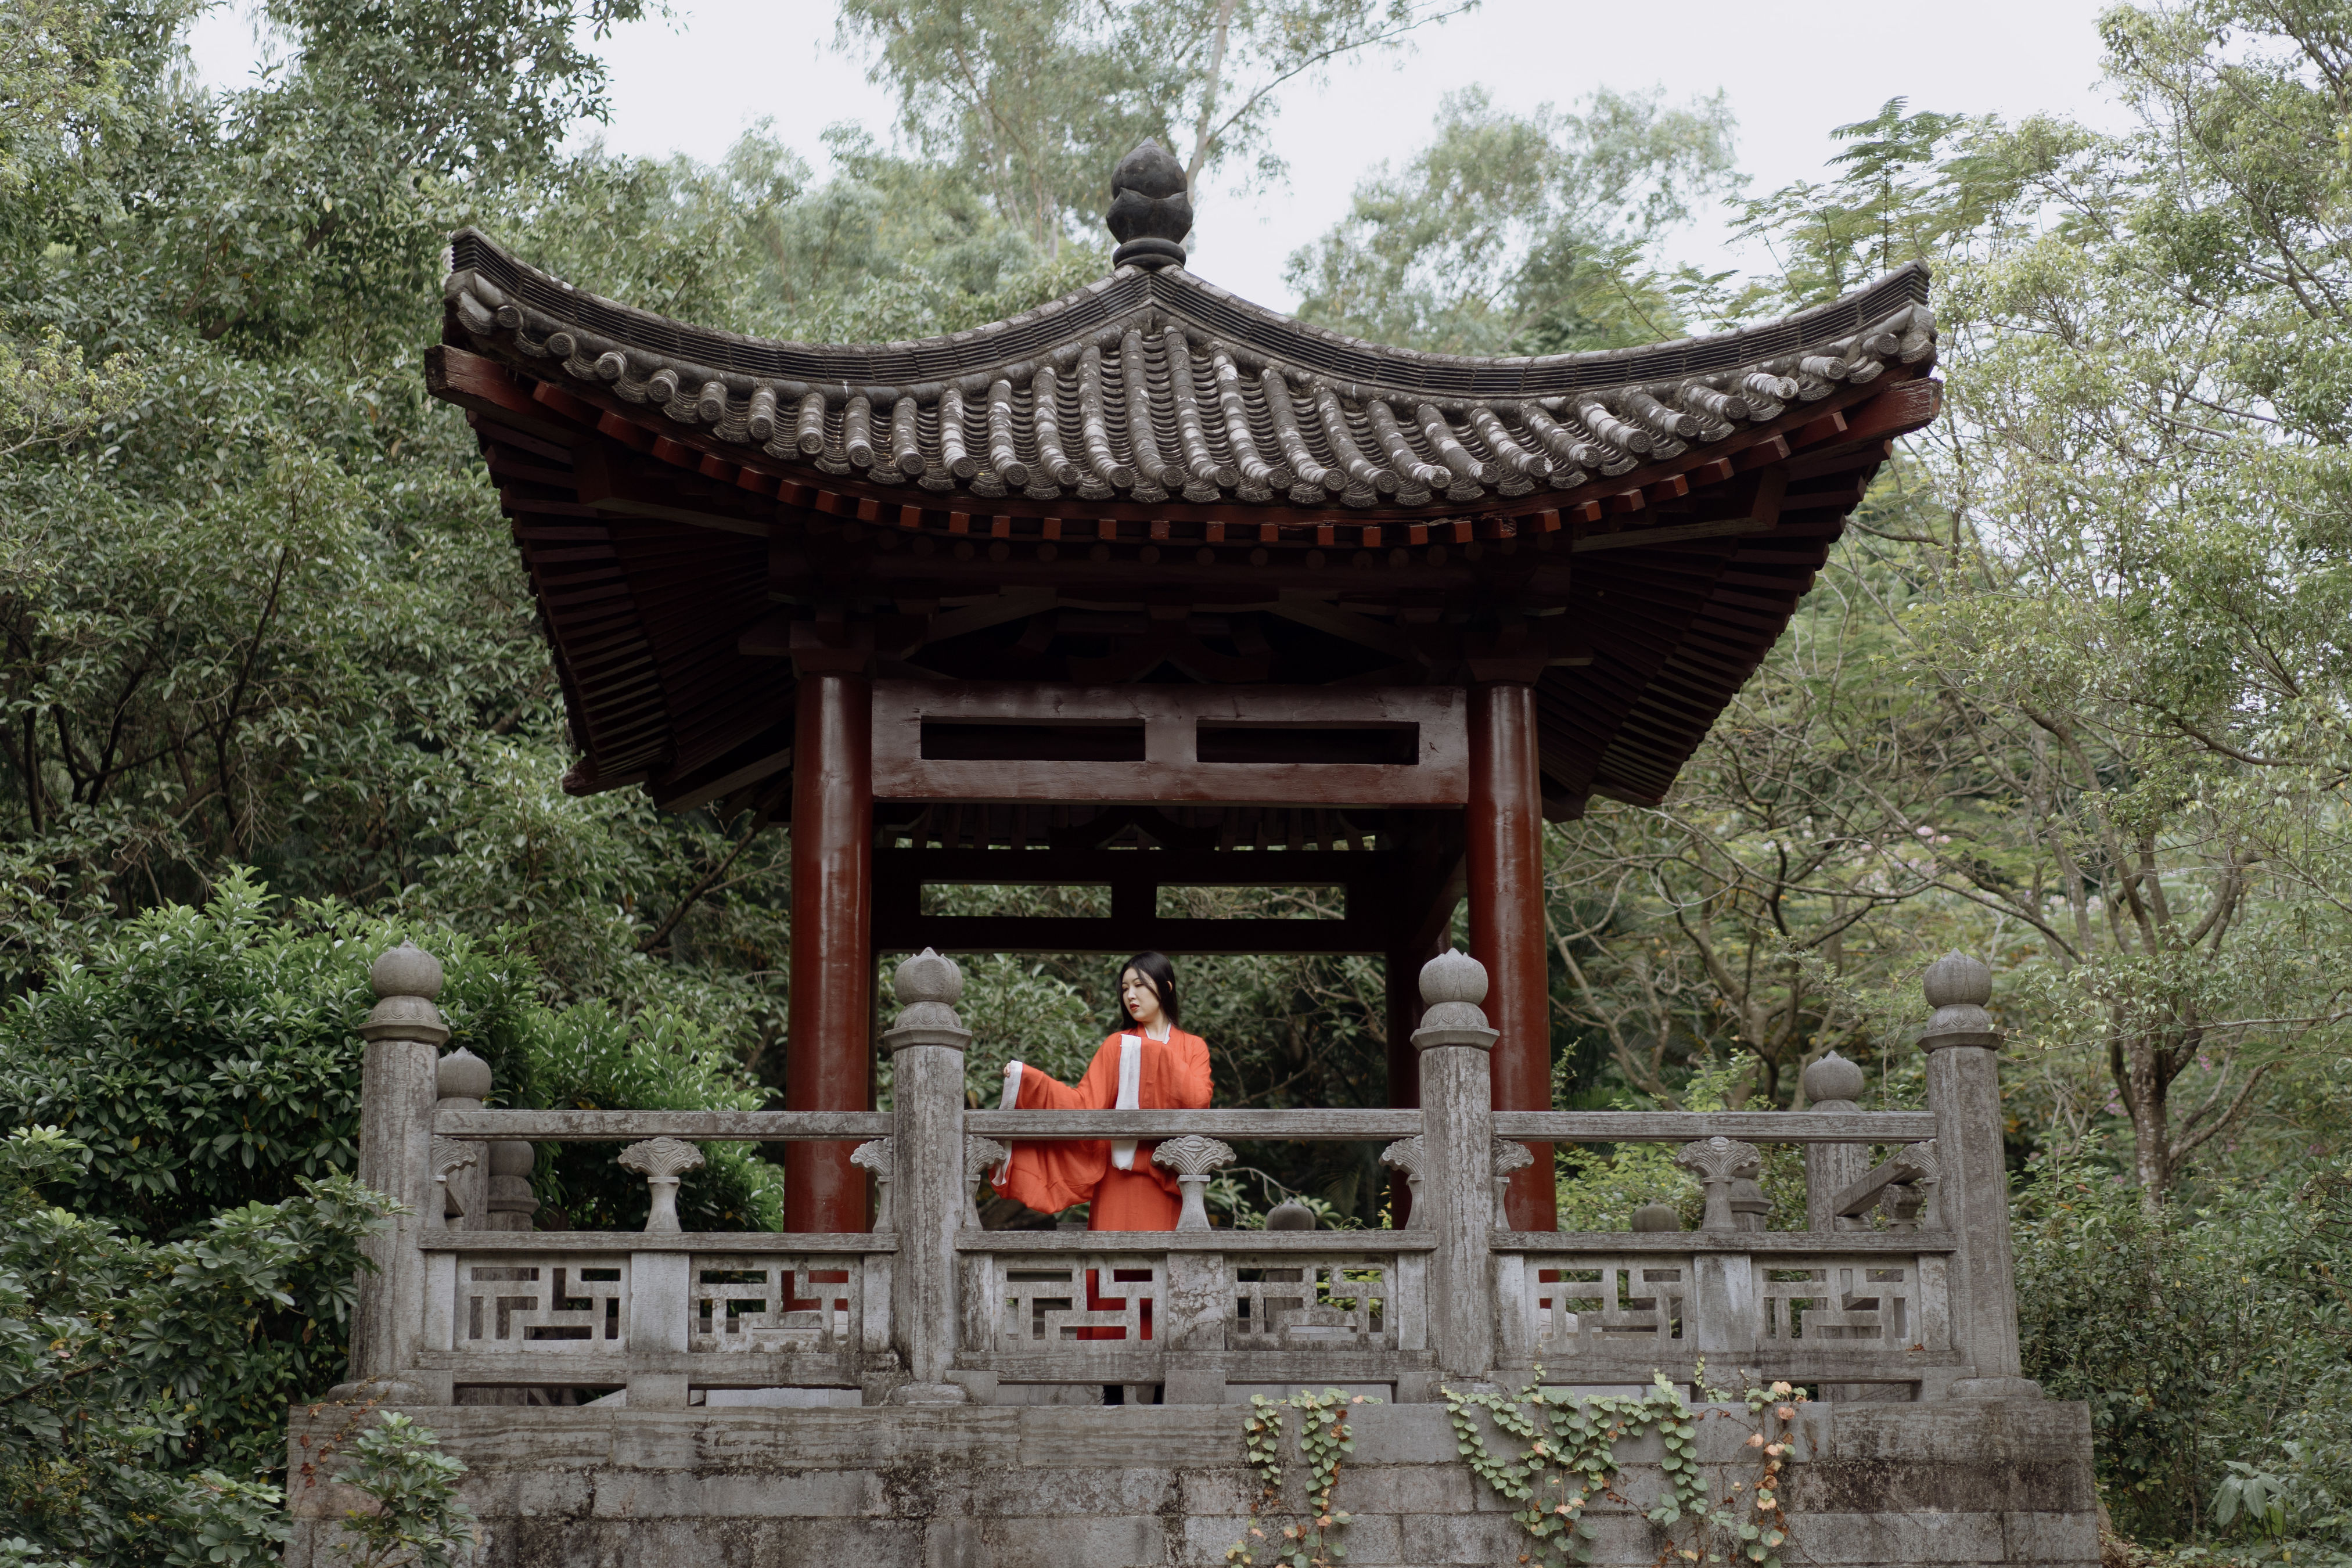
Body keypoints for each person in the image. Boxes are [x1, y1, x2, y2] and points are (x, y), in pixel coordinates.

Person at [990, 952, 1213, 1231]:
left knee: (1165, 1266)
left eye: (1139, 985)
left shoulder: (1193, 1047)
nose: (1130, 995)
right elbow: (1084, 1105)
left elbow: (1198, 1100)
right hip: (1117, 1180)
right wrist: (1031, 1081)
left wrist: (1152, 1056)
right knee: (1113, 1266)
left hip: (1168, 1178)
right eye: (1125, 988)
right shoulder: (1117, 1046)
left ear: (1166, 988)